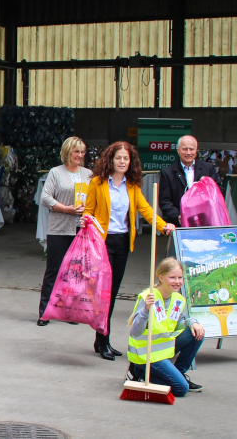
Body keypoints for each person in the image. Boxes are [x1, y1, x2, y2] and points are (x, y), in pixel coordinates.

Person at [81, 141, 174, 361]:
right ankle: (103, 340)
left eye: (126, 158)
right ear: (110, 160)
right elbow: (88, 210)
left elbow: (146, 210)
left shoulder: (132, 186)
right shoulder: (97, 183)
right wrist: (86, 221)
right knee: (104, 295)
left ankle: (101, 340)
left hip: (122, 242)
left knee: (112, 293)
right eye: (118, 158)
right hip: (102, 243)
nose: (122, 161)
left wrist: (163, 225)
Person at [125, 258, 205, 397]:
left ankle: (179, 373)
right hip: (145, 353)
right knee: (181, 389)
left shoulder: (178, 299)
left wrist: (193, 322)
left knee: (196, 333)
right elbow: (135, 332)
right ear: (161, 277)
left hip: (163, 348)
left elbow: (180, 322)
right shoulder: (148, 297)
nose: (177, 281)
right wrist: (145, 310)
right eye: (172, 277)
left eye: (180, 277)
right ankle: (138, 371)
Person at [37, 136, 93, 326]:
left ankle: (71, 311)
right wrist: (66, 209)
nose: (80, 155)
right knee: (54, 270)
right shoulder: (56, 172)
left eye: (82, 152)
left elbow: (94, 198)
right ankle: (45, 312)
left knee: (77, 272)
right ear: (67, 152)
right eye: (76, 151)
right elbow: (45, 198)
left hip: (81, 229)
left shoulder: (89, 174)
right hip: (59, 229)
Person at [158, 135, 221, 226]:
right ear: (178, 150)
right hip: (180, 223)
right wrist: (178, 216)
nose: (188, 152)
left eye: (191, 149)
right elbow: (164, 201)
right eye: (185, 149)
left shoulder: (208, 168)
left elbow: (219, 191)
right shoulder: (167, 173)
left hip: (206, 221)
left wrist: (208, 184)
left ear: (196, 150)